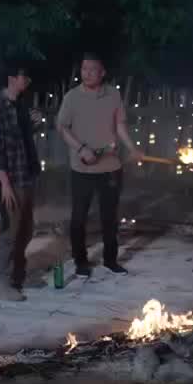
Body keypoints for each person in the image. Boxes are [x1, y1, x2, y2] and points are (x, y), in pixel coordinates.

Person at [57, 55, 139, 277]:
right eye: (84, 69)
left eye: (93, 70)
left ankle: (110, 260)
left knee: (109, 217)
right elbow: (62, 128)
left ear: (102, 73)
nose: (87, 73)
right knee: (78, 218)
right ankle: (81, 261)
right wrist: (81, 149)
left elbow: (120, 125)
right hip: (82, 168)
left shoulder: (113, 95)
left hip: (110, 167)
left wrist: (131, 148)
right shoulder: (72, 97)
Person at [0, 60, 41, 303]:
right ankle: (2, 282)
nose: (27, 81)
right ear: (11, 78)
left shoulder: (20, 105)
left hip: (26, 173)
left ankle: (18, 275)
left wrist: (33, 124)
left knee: (26, 229)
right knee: (8, 230)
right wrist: (5, 183)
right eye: (23, 77)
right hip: (11, 179)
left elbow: (20, 140)